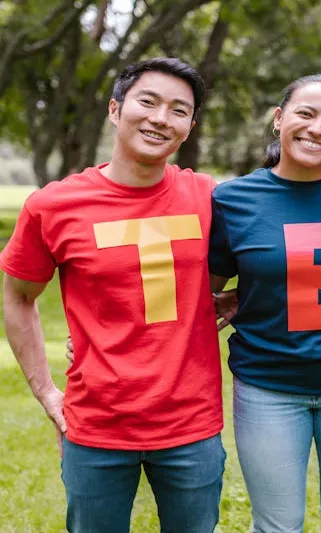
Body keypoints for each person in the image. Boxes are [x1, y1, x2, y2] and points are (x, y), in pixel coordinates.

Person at [0, 58, 226, 532]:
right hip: (96, 425)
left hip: (191, 426)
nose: (161, 118)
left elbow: (282, 254)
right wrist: (45, 392)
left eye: (178, 110)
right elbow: (18, 297)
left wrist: (233, 301)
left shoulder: (210, 198)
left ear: (189, 127)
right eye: (148, 102)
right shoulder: (53, 206)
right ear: (115, 109)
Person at [208, 74, 321, 533]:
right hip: (268, 385)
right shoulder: (232, 200)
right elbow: (204, 293)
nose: (317, 128)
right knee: (276, 525)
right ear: (279, 119)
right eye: (305, 113)